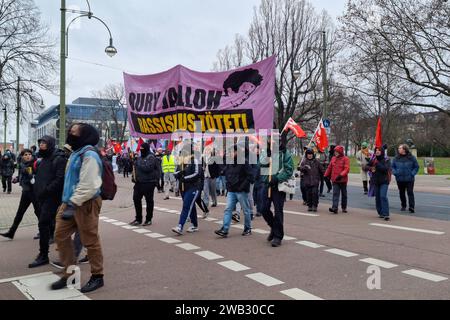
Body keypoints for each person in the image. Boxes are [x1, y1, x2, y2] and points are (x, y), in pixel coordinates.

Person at [51, 123, 105, 293]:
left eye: (73, 133)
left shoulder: (89, 155)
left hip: (85, 203)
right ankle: (70, 273)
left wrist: (73, 203)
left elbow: (89, 185)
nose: (69, 135)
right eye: (69, 132)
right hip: (69, 203)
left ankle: (98, 276)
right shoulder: (76, 153)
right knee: (60, 235)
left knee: (90, 240)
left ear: (84, 136)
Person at [28, 136, 66, 268]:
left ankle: (44, 255)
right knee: (50, 224)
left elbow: (59, 179)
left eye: (44, 143)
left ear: (50, 144)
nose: (41, 145)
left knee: (44, 222)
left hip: (52, 197)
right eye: (40, 143)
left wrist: (46, 190)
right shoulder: (43, 158)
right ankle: (46, 254)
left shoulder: (58, 158)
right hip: (43, 197)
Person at [214, 144, 254, 238]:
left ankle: (248, 228)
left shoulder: (244, 162)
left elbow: (250, 176)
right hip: (231, 190)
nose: (230, 153)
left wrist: (242, 187)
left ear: (237, 152)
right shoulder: (230, 162)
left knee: (246, 210)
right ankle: (225, 229)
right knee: (228, 209)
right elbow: (226, 172)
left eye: (232, 151)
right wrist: (228, 185)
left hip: (241, 191)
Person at [259, 141, 294, 247]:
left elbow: (289, 170)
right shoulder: (265, 151)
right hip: (267, 184)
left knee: (278, 211)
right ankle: (274, 228)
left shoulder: (284, 153)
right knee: (263, 209)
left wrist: (277, 178)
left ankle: (278, 236)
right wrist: (267, 157)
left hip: (278, 186)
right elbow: (260, 164)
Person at [1, 149, 40, 239]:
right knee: (20, 213)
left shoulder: (35, 164)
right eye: (25, 154)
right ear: (22, 156)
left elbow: (39, 176)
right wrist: (17, 179)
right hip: (26, 192)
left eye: (29, 154)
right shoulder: (22, 164)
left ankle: (45, 231)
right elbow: (23, 175)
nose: (28, 156)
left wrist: (33, 178)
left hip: (34, 192)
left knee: (39, 212)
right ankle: (11, 232)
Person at [171, 143, 202, 235]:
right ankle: (195, 225)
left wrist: (185, 178)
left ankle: (180, 226)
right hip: (183, 188)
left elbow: (197, 174)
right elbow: (175, 172)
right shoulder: (181, 161)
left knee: (186, 206)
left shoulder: (195, 161)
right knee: (190, 206)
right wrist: (180, 173)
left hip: (193, 187)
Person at [129, 143, 159, 226]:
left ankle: (148, 219)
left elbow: (147, 168)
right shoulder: (139, 158)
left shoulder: (151, 157)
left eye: (142, 148)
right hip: (139, 183)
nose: (141, 149)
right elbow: (135, 169)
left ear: (146, 148)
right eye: (140, 148)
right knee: (136, 199)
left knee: (149, 201)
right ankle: (138, 218)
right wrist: (133, 176)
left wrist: (138, 163)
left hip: (149, 183)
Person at [392, 144, 419, 213]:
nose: (398, 149)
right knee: (402, 193)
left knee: (410, 192)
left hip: (409, 179)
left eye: (400, 148)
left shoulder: (411, 157)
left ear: (404, 149)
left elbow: (416, 167)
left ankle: (411, 207)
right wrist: (396, 173)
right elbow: (392, 167)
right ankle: (403, 205)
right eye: (398, 148)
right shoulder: (396, 158)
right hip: (399, 179)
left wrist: (412, 174)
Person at [366, 146, 391, 221]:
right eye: (376, 150)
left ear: (382, 152)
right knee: (378, 198)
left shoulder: (386, 160)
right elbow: (365, 166)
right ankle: (380, 212)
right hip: (376, 182)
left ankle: (386, 214)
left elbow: (385, 169)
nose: (377, 151)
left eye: (379, 150)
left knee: (383, 196)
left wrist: (377, 164)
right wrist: (370, 168)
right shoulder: (373, 159)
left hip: (384, 181)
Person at [325, 145, 350, 214]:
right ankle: (334, 208)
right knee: (335, 193)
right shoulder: (333, 158)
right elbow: (329, 168)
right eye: (335, 152)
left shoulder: (345, 159)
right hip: (335, 179)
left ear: (340, 152)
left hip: (343, 180)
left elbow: (347, 168)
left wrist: (341, 175)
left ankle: (344, 207)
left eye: (337, 152)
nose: (335, 153)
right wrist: (326, 175)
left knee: (344, 194)